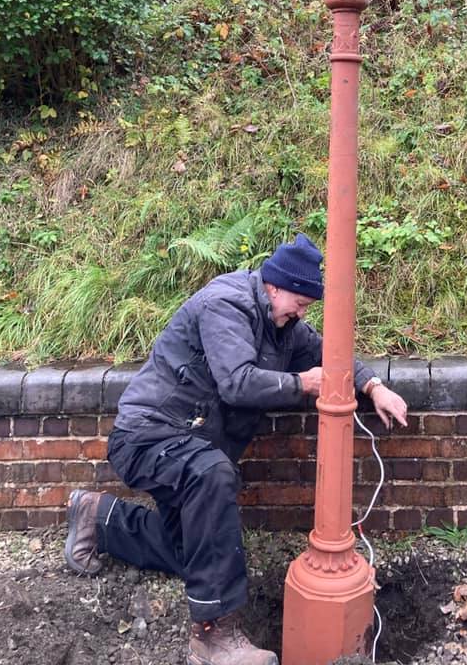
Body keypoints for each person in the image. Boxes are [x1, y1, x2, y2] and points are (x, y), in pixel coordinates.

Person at [64, 234, 408, 665]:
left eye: (307, 307)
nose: (302, 314)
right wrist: (303, 382)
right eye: (299, 303)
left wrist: (374, 386)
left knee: (197, 554)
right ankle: (213, 637)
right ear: (275, 286)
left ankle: (99, 518)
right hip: (148, 435)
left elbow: (329, 352)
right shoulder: (226, 304)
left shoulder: (283, 325)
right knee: (214, 475)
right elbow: (237, 381)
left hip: (190, 443)